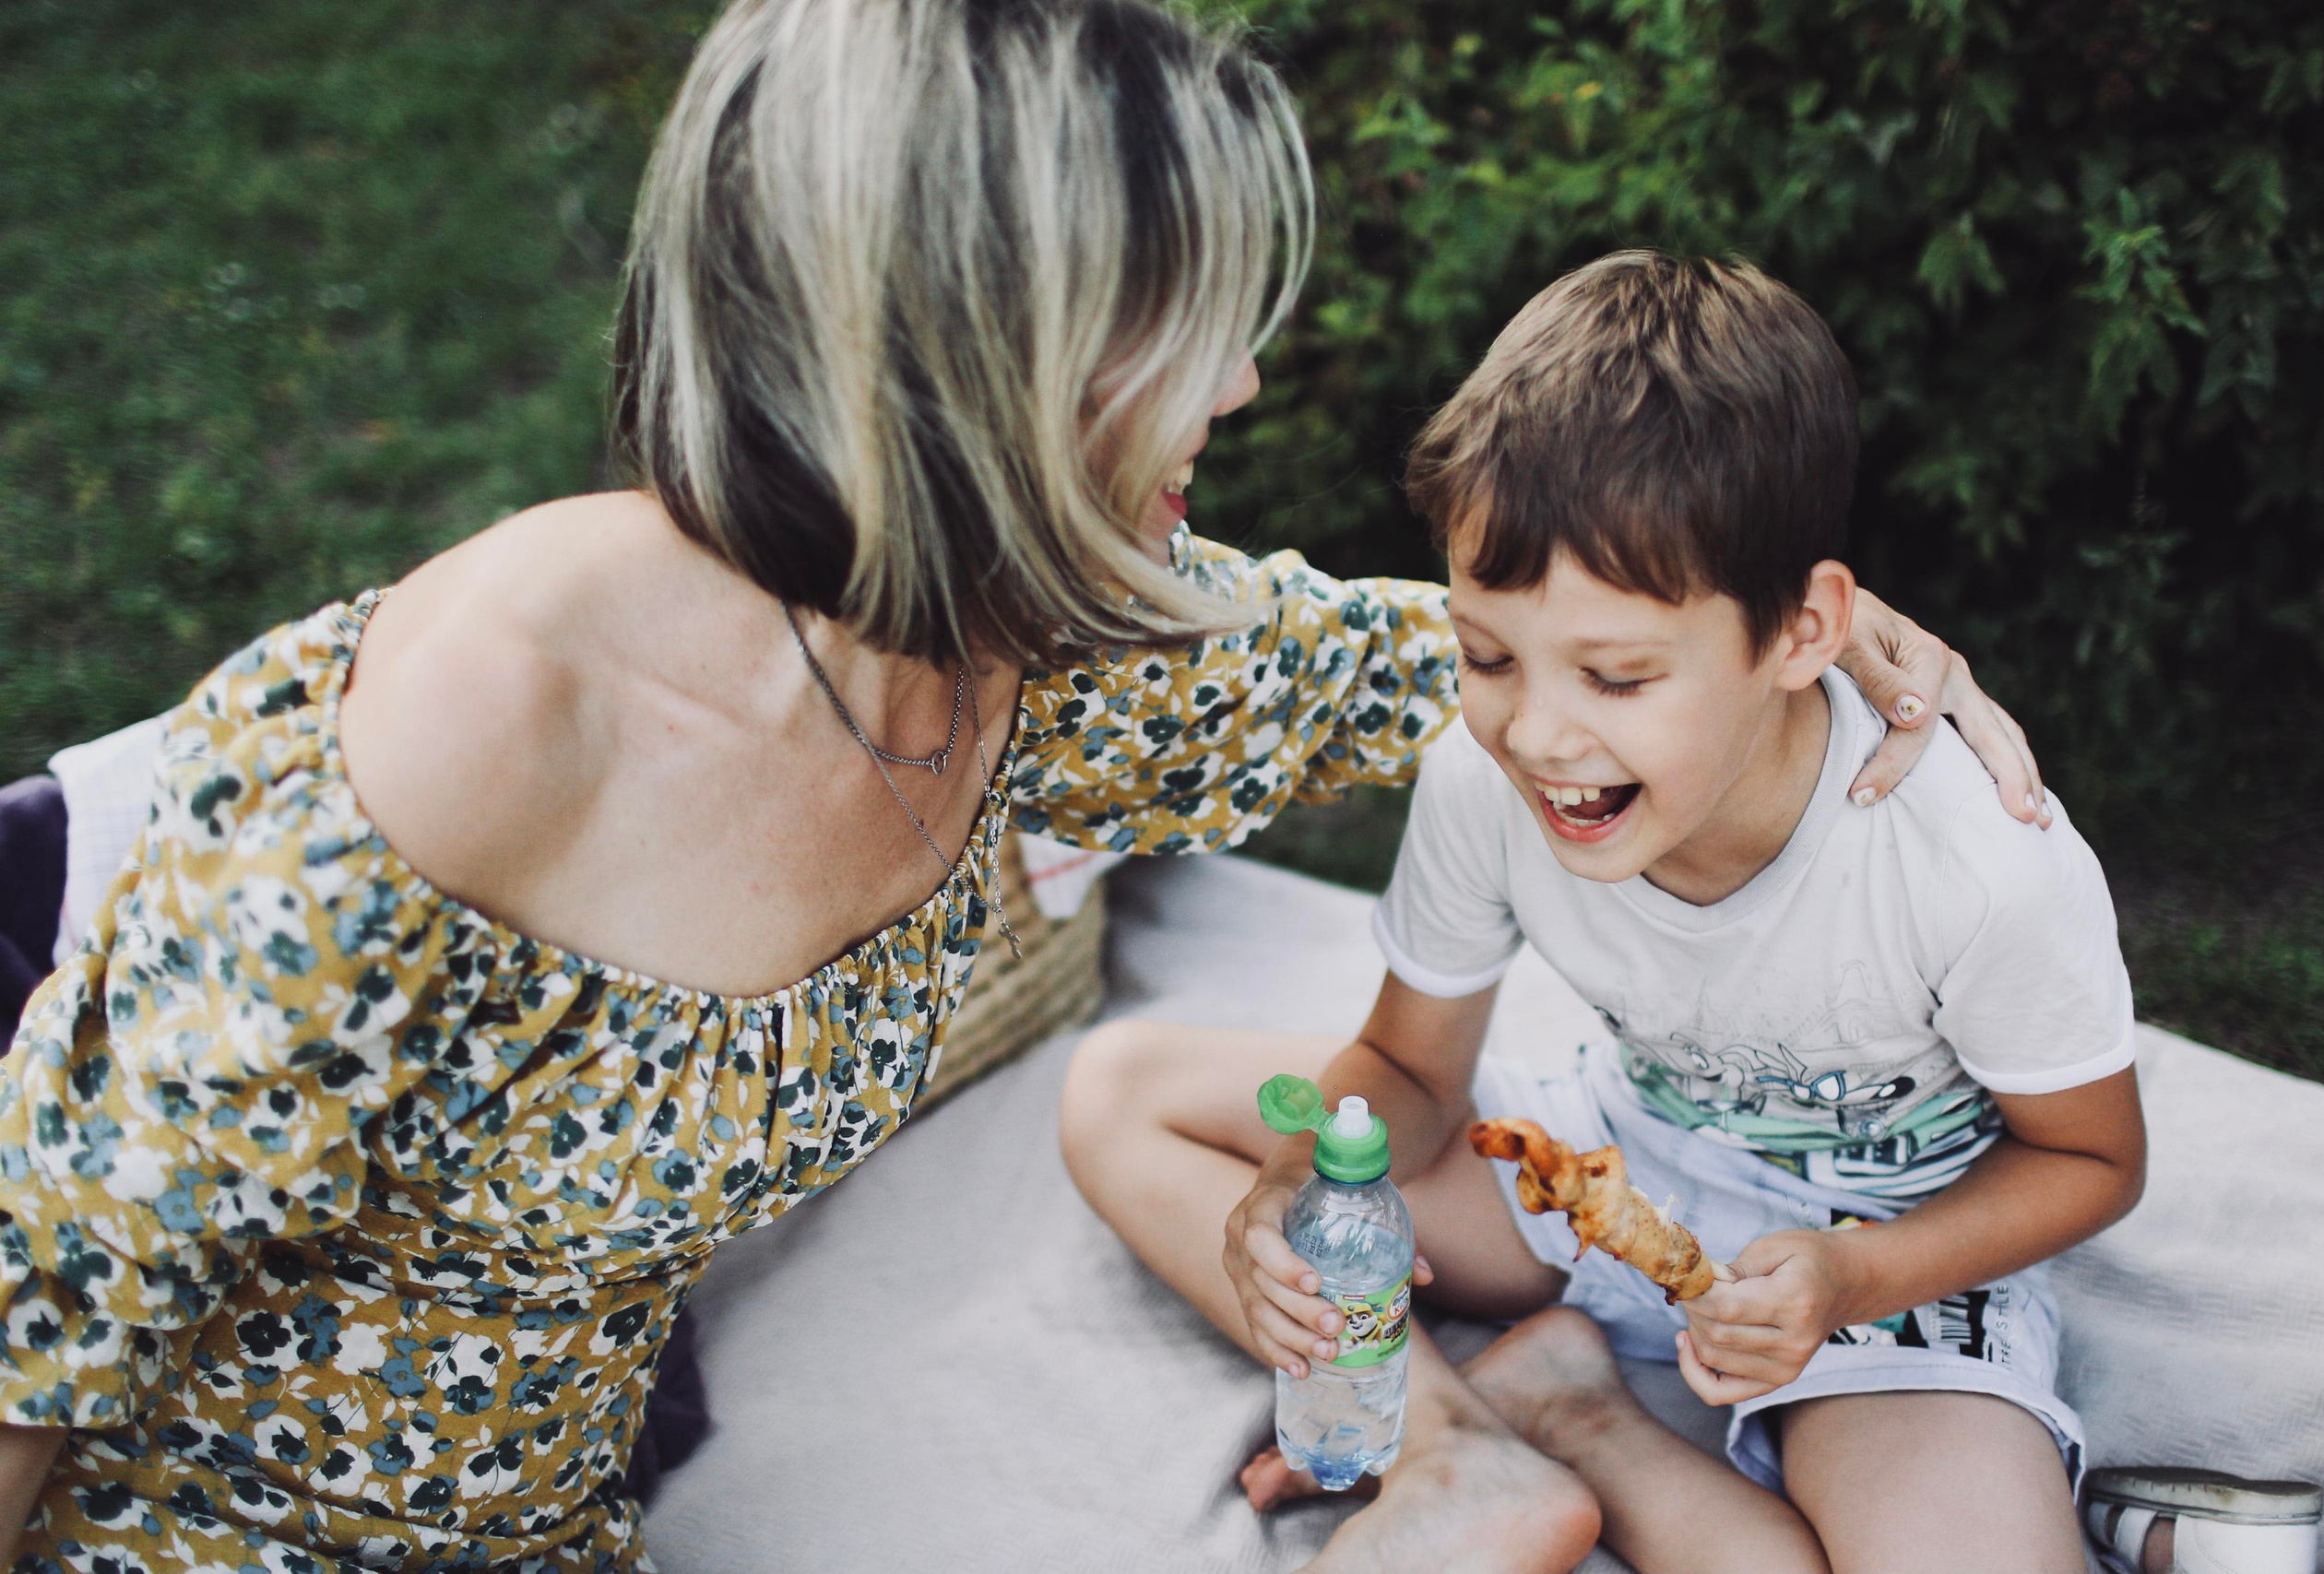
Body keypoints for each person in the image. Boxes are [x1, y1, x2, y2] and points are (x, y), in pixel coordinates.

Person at [0, 3, 2043, 1567]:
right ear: (970, 345)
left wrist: (1815, 646)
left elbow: (1473, 666)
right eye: (1182, 325)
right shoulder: (473, 726)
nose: (1239, 386)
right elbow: (35, 1329)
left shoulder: (1035, 656)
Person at [1063, 253, 2152, 1574]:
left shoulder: (1973, 862)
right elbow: (1409, 1075)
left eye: (1620, 676)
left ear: (1805, 633)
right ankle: (1456, 1450)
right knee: (1125, 1090)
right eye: (1484, 655)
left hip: (1889, 1268)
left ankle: (1584, 1422)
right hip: (1605, 1167)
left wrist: (1850, 1280)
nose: (1537, 731)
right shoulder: (1487, 777)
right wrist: (1291, 1191)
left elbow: (2090, 1162)